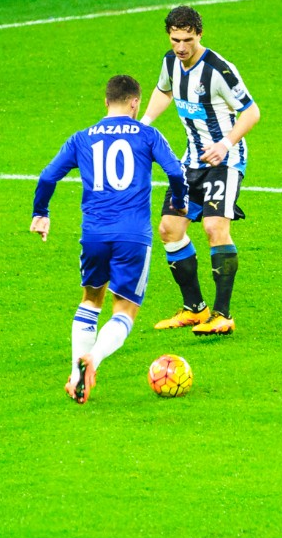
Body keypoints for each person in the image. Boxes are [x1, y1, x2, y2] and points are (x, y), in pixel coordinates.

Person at [29, 73, 188, 404]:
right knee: (125, 309)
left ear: (106, 102)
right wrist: (179, 200)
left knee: (90, 300)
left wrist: (40, 213)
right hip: (133, 235)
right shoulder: (148, 134)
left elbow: (47, 177)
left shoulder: (81, 138)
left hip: (94, 235)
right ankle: (94, 359)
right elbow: (175, 171)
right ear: (135, 103)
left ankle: (76, 376)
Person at [140, 5, 259, 337]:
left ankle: (222, 315)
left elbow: (252, 112)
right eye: (175, 40)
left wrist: (225, 143)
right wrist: (144, 123)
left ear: (199, 34)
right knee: (169, 229)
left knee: (214, 226)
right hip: (191, 161)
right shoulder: (170, 63)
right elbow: (164, 90)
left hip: (225, 160)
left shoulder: (219, 69)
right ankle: (195, 308)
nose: (181, 47)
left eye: (187, 40)